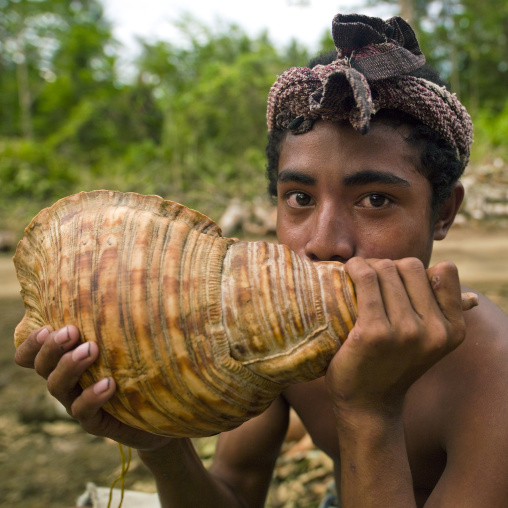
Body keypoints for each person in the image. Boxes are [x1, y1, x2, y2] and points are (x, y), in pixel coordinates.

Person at [15, 13, 508, 508]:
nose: (323, 243)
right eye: (298, 198)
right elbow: (233, 493)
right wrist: (161, 443)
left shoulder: (493, 369)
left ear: (443, 212)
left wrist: (369, 411)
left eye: (375, 200)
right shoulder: (277, 338)